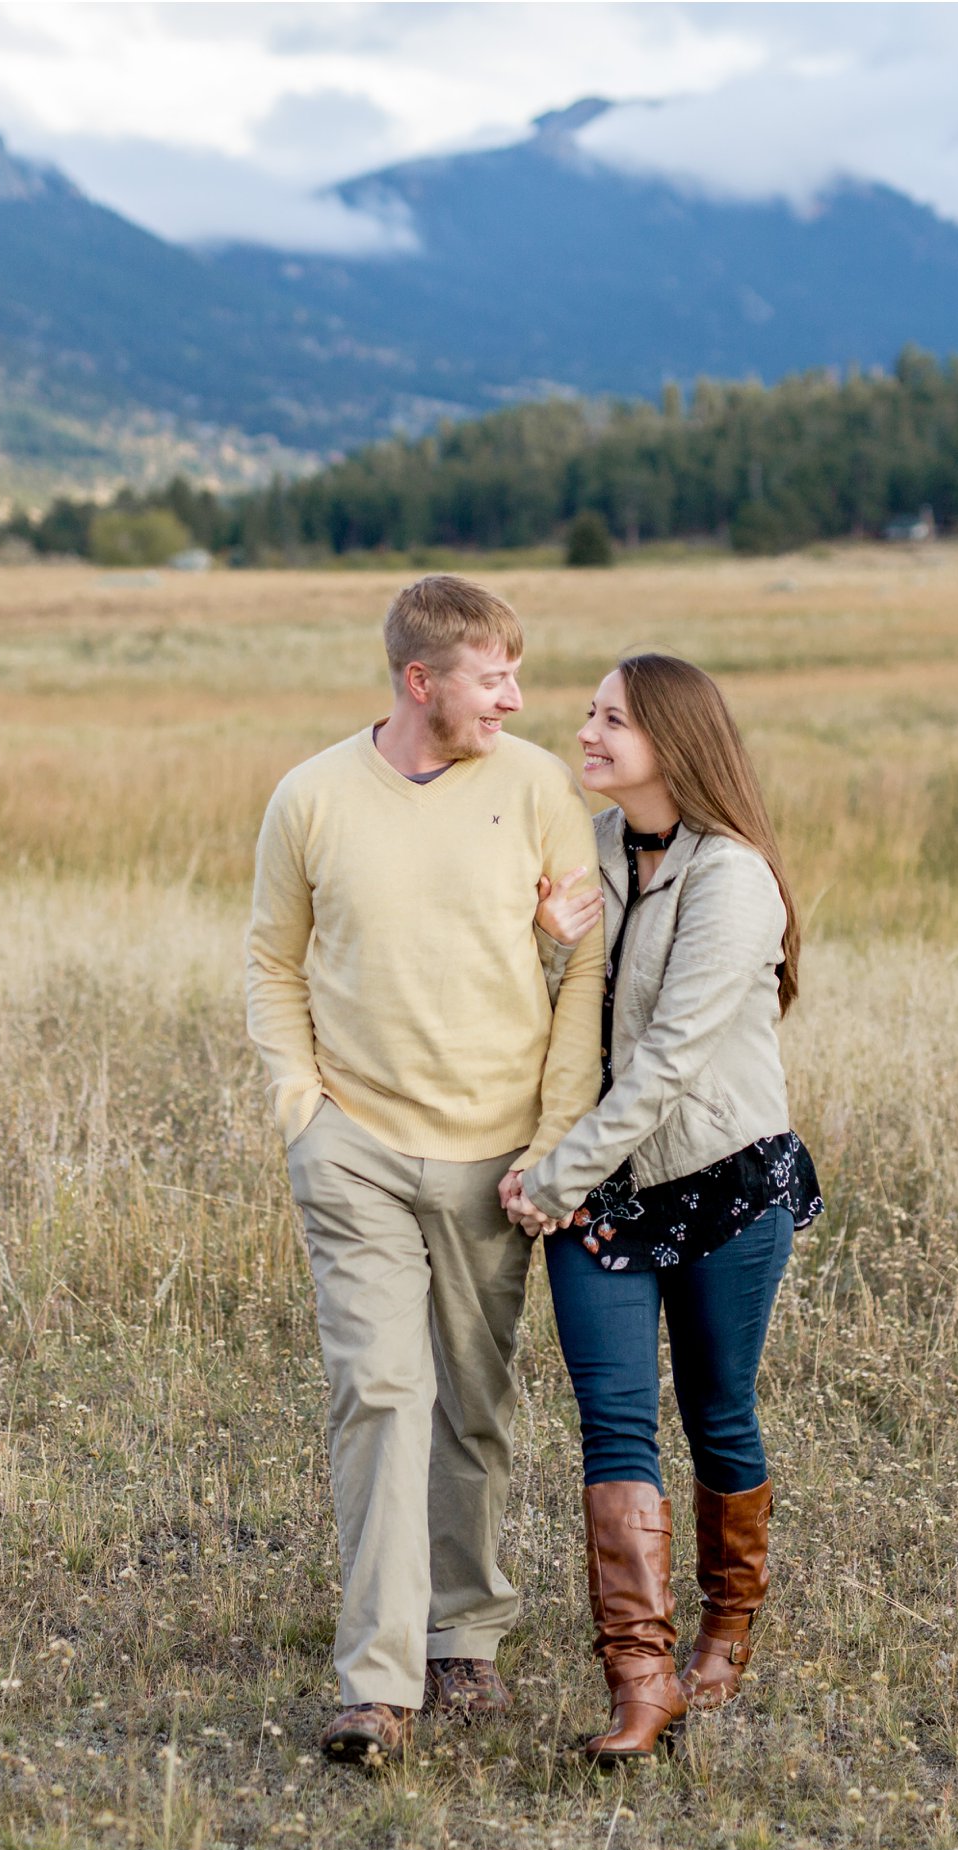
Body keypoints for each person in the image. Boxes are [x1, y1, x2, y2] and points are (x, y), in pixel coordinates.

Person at [245, 575, 604, 1763]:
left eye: (515, 674)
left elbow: (584, 978)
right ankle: (379, 1681)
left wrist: (553, 1143)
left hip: (495, 1152)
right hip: (352, 1148)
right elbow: (273, 963)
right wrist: (303, 1110)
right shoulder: (309, 797)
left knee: (473, 1401)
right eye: (491, 676)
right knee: (381, 1395)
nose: (513, 696)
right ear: (421, 681)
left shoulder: (541, 786)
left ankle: (466, 1632)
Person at [503, 652, 822, 1766]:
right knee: (615, 1420)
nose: (585, 734)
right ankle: (640, 1679)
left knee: (717, 1411)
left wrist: (552, 1178)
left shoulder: (732, 877)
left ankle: (724, 1632)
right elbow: (558, 1026)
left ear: (672, 742)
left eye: (612, 721)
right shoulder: (582, 853)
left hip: (721, 1185)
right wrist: (546, 943)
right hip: (604, 1196)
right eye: (586, 714)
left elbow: (670, 1060)